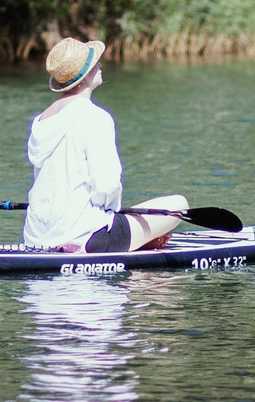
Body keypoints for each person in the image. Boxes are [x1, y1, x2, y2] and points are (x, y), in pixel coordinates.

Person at [23, 36, 189, 252]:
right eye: (93, 64)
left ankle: (141, 242)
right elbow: (107, 186)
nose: (99, 64)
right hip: (85, 237)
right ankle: (139, 242)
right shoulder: (95, 117)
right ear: (83, 78)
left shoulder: (41, 120)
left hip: (37, 238)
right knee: (179, 204)